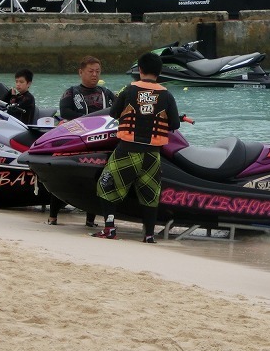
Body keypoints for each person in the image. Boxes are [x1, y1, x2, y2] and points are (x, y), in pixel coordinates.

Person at [94, 51, 181, 244]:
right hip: (152, 155)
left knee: (106, 185)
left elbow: (114, 113)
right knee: (150, 194)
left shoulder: (129, 90)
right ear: (159, 72)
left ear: (139, 69)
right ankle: (149, 235)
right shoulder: (167, 95)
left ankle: (109, 228)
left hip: (127, 150)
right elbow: (174, 124)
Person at [48, 56, 116, 225]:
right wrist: (90, 119)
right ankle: (53, 215)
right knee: (65, 178)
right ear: (81, 72)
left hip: (100, 143)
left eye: (98, 71)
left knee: (96, 180)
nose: (94, 75)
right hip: (77, 141)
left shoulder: (106, 94)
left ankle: (90, 219)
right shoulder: (70, 92)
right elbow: (65, 112)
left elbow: (117, 112)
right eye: (90, 71)